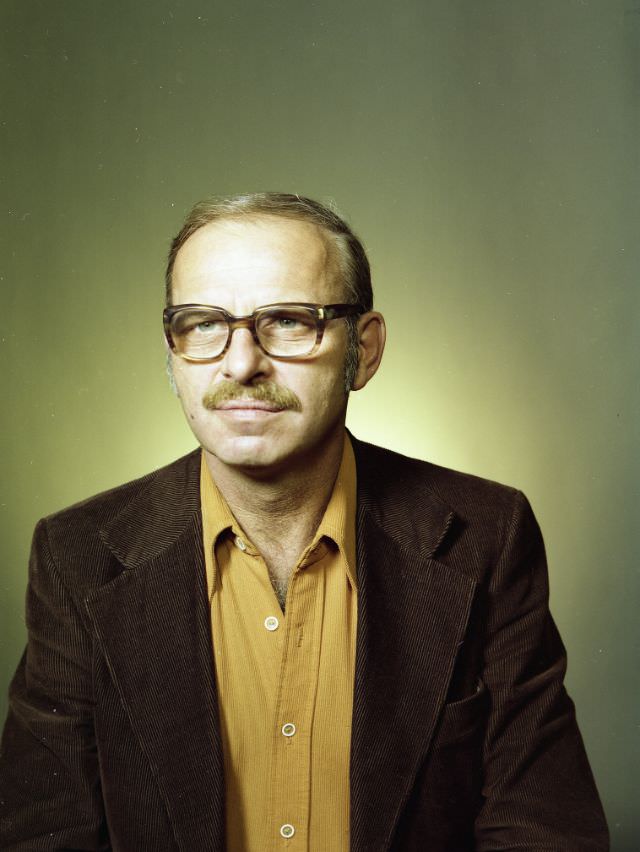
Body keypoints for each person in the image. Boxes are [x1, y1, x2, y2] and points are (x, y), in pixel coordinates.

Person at [0, 193, 608, 851]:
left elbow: (543, 831)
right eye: (203, 323)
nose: (241, 363)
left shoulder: (488, 535)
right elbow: (45, 836)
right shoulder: (76, 555)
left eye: (289, 320)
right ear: (171, 354)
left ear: (364, 350)